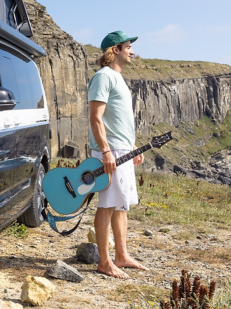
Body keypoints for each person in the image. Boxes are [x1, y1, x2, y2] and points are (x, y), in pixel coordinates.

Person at [88, 30, 147, 279]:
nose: (132, 51)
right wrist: (106, 151)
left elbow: (118, 119)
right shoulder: (103, 77)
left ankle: (121, 256)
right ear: (115, 50)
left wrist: (131, 146)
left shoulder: (117, 77)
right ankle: (104, 261)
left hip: (121, 150)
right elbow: (96, 118)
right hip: (109, 151)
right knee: (107, 205)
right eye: (128, 46)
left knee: (121, 205)